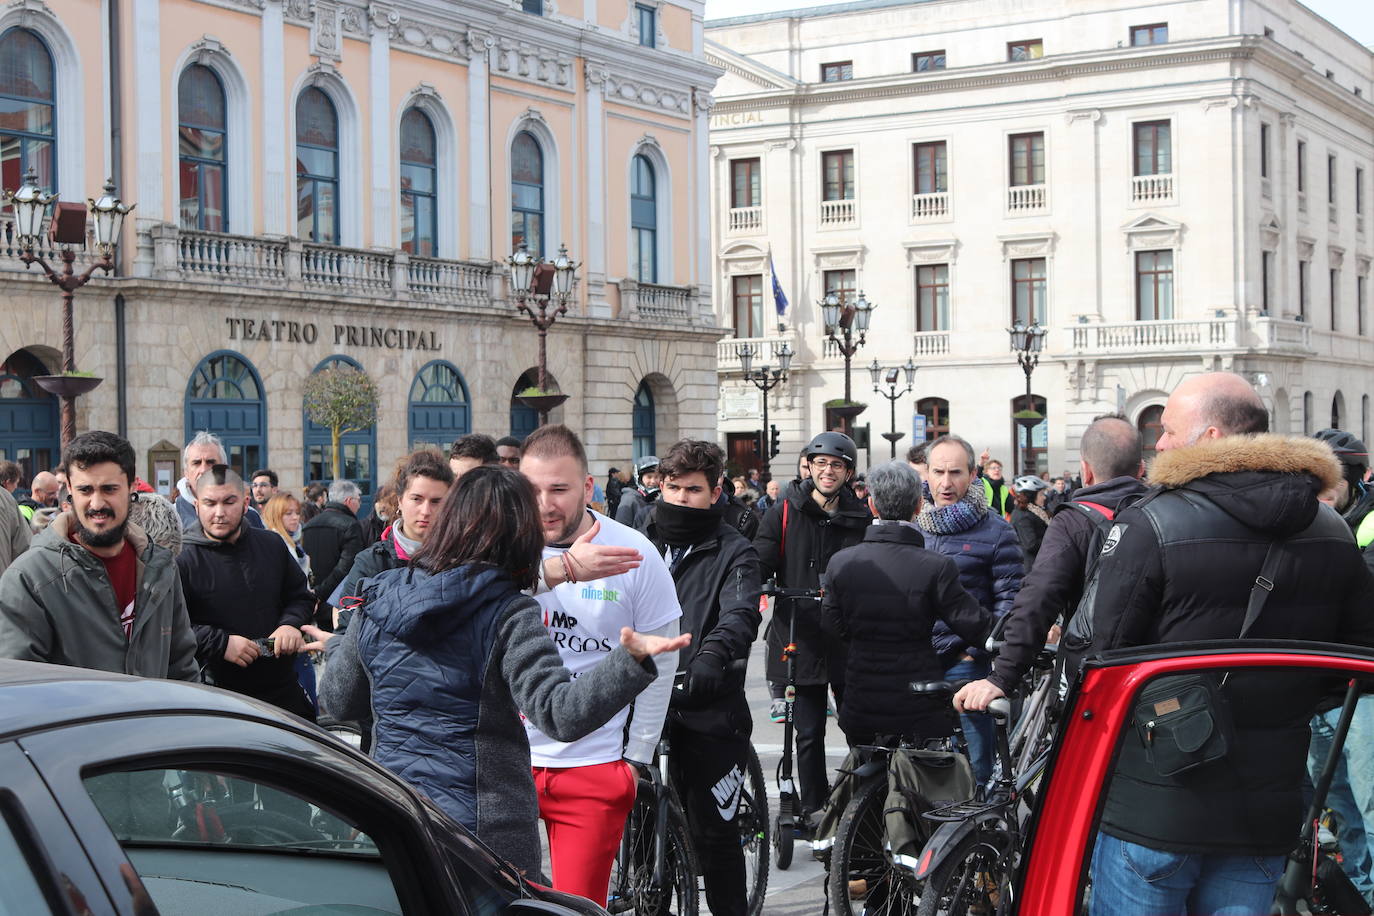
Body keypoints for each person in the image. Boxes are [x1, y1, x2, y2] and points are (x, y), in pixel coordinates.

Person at [1083, 372, 1374, 916]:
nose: (1159, 444)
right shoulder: (1333, 529)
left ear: (1211, 439)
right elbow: (1352, 663)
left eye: (1168, 430)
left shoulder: (1151, 521)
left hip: (1158, 800)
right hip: (1265, 808)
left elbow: (1106, 654)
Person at [315, 464, 688, 881]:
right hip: (483, 826)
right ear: (519, 536)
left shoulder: (378, 594)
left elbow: (337, 700)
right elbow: (559, 713)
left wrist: (337, 645)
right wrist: (631, 659)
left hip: (395, 810)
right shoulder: (507, 612)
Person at [520, 425, 683, 905]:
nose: (546, 504)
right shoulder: (504, 548)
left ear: (588, 487)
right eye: (533, 490)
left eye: (559, 489)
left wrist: (635, 758)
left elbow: (662, 654)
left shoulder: (634, 552)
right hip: (506, 764)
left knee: (577, 906)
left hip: (593, 763)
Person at [641, 439, 762, 916]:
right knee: (641, 825)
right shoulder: (642, 540)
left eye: (693, 489)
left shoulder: (736, 551)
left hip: (708, 703)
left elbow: (739, 616)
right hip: (644, 700)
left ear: (716, 493)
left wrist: (710, 658)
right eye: (673, 487)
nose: (681, 498)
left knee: (716, 837)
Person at [956, 414, 1148, 712]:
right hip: (1156, 674)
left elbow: (1038, 597)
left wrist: (1003, 675)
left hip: (1092, 674)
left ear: (1085, 470)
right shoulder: (1165, 513)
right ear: (1142, 468)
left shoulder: (1074, 520)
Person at [0, 431, 199, 680]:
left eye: (109, 489)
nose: (96, 503)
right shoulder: (29, 579)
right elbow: (21, 688)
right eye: (85, 490)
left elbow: (181, 669)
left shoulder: (160, 567)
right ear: (70, 489)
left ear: (132, 487)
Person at [821, 461, 991, 746]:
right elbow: (974, 624)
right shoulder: (935, 566)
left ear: (872, 506)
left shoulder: (841, 562)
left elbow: (831, 629)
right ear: (918, 506)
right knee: (923, 782)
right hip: (917, 700)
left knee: (865, 775)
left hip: (861, 696)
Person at [753, 431, 871, 831]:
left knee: (859, 727)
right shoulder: (787, 508)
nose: (827, 471)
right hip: (797, 634)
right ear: (810, 466)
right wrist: (760, 582)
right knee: (808, 732)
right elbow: (762, 557)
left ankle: (862, 807)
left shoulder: (860, 516)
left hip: (845, 639)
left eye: (836, 465)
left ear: (848, 473)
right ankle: (815, 809)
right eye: (821, 463)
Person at [915, 435, 1023, 785]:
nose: (946, 483)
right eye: (939, 472)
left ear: (973, 474)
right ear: (927, 475)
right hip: (919, 662)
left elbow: (1010, 604)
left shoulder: (997, 531)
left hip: (968, 667)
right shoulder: (916, 528)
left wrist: (973, 653)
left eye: (956, 472)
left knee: (978, 769)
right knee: (922, 770)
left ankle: (982, 834)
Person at [177, 464, 315, 718]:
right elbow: (172, 626)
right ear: (197, 506)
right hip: (217, 698)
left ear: (245, 503)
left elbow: (301, 597)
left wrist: (290, 624)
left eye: (229, 502)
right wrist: (220, 644)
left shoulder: (272, 545)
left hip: (283, 692)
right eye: (210, 503)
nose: (219, 513)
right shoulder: (181, 559)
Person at [1307, 428, 1374, 905]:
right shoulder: (1308, 522)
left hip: (1365, 692)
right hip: (1319, 690)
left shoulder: (1365, 524)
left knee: (1371, 805)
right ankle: (1363, 891)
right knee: (1339, 805)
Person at [300, 480, 365, 629]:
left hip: (316, 599)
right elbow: (347, 568)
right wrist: (319, 592)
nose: (360, 505)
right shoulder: (351, 525)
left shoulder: (310, 525)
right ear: (349, 501)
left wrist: (315, 592)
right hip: (338, 600)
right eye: (358, 500)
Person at [173, 432, 264, 529]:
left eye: (211, 462)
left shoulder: (249, 515)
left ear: (224, 469)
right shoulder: (172, 516)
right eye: (197, 463)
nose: (203, 470)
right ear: (186, 472)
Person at [262, 493, 311, 581]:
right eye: (288, 513)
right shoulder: (273, 543)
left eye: (297, 513)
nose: (295, 517)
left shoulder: (295, 540)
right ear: (275, 515)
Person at [1008, 475, 1051, 571]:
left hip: (1038, 564)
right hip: (1030, 569)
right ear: (1031, 496)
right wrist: (1052, 538)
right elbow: (1031, 545)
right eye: (1041, 494)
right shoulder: (1022, 516)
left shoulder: (1035, 512)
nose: (1044, 497)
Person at [614, 455, 661, 529]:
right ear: (639, 478)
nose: (653, 481)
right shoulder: (630, 500)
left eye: (656, 477)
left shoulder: (661, 498)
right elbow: (621, 528)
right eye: (649, 477)